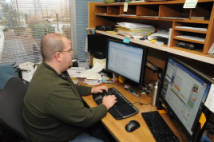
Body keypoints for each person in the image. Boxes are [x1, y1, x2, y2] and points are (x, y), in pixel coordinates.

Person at [22, 33, 117, 142]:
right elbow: (85, 118)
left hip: (51, 129)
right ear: (58, 56)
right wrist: (105, 106)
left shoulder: (45, 68)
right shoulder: (54, 89)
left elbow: (69, 87)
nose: (72, 53)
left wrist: (91, 90)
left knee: (101, 128)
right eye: (70, 50)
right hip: (54, 137)